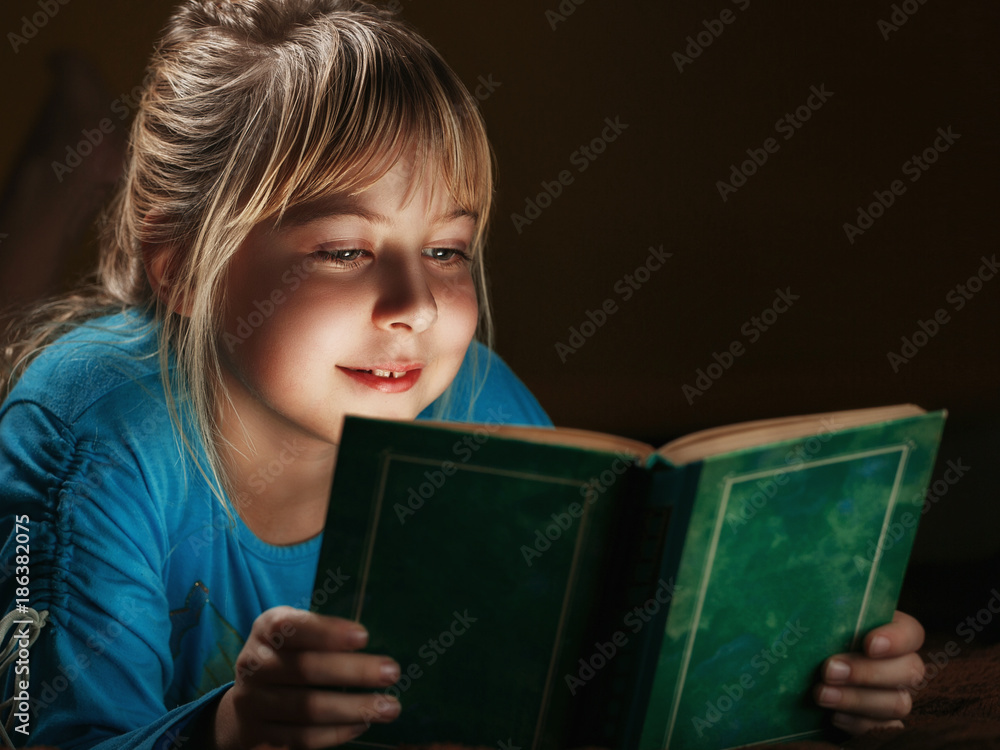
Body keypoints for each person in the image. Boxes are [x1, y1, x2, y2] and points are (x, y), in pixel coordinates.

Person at [0, 1, 926, 747]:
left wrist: (815, 671)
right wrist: (231, 727)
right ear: (183, 266)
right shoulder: (94, 432)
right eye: (343, 250)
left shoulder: (458, 390)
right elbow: (40, 732)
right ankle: (63, 169)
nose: (416, 304)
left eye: (447, 248)